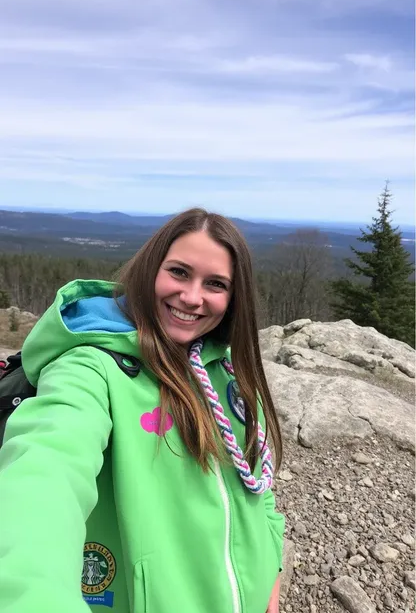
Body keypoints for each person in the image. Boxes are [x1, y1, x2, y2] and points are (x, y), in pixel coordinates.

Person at [0, 208, 285, 613]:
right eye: (179, 272)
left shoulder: (227, 370)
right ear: (151, 269)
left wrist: (268, 570)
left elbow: (256, 481)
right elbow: (44, 474)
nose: (191, 296)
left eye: (216, 284)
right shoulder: (89, 368)